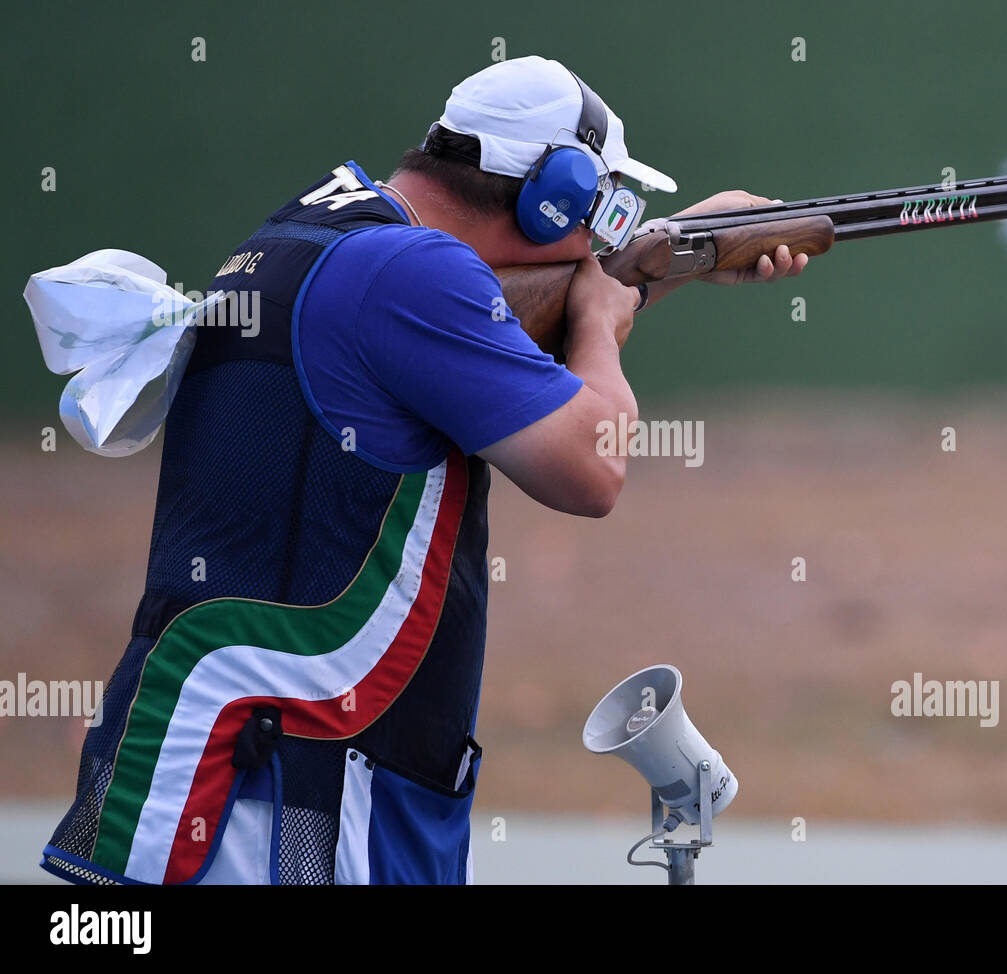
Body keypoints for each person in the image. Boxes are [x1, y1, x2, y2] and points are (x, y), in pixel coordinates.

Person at [39, 54, 807, 886]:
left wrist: (682, 253)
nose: (605, 239)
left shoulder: (320, 238)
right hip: (279, 806)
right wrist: (600, 322)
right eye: (605, 209)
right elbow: (593, 468)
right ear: (553, 195)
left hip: (218, 774)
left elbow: (479, 343)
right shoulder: (411, 272)